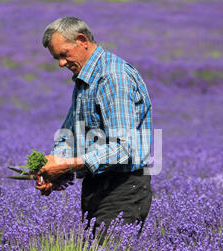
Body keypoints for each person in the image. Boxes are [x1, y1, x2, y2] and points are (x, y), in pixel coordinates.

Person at [35, 17, 153, 237]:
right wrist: (53, 166)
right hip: (95, 185)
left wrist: (67, 166)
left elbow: (123, 148)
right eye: (56, 58)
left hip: (124, 188)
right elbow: (69, 134)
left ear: (82, 41)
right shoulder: (84, 79)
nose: (61, 63)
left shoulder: (112, 77)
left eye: (63, 54)